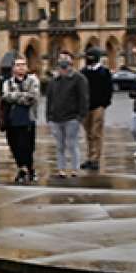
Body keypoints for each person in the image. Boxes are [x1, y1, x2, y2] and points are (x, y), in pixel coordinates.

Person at [45, 49, 89, 178]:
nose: (63, 60)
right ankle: (61, 169)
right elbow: (49, 98)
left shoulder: (78, 78)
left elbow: (84, 98)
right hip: (56, 118)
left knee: (72, 144)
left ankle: (75, 169)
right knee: (59, 145)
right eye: (61, 58)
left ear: (71, 61)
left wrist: (80, 116)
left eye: (66, 58)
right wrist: (48, 116)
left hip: (72, 118)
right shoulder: (54, 80)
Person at [1, 57, 41, 184]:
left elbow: (33, 97)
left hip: (28, 119)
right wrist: (23, 95)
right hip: (12, 120)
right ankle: (22, 168)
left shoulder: (33, 80)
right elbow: (6, 96)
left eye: (23, 65)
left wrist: (15, 96)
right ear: (13, 68)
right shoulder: (7, 83)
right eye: (18, 65)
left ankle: (28, 169)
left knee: (28, 147)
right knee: (15, 146)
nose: (21, 67)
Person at [79, 49, 113, 171]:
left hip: (98, 106)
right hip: (85, 107)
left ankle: (96, 159)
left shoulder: (104, 72)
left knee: (96, 132)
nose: (89, 59)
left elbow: (109, 89)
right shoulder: (83, 72)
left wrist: (105, 104)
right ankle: (89, 157)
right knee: (88, 133)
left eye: (91, 57)